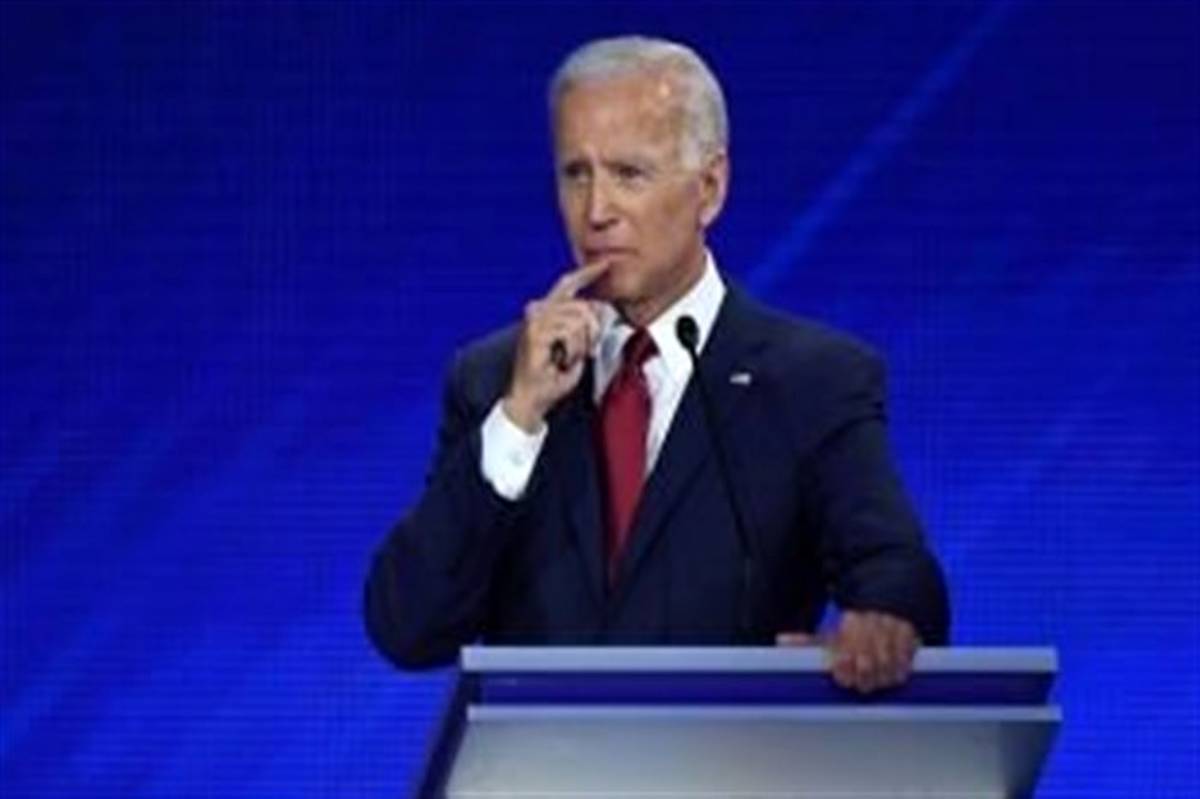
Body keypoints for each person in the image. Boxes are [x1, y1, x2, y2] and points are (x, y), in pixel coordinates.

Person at [364, 36, 949, 693]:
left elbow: (898, 571)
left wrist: (886, 622)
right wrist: (518, 418)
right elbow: (407, 626)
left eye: (628, 174)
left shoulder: (811, 380)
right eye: (576, 174)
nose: (596, 212)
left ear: (710, 188)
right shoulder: (495, 379)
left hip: (729, 750)